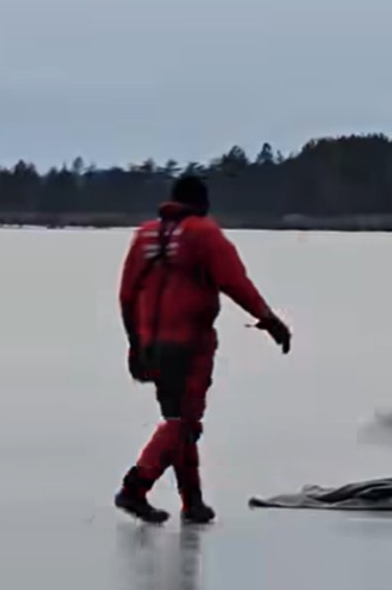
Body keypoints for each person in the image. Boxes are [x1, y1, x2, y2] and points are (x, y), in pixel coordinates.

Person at [114, 175, 291, 524]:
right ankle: (136, 487)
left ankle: (192, 502)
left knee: (178, 419)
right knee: (183, 422)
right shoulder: (203, 234)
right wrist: (269, 319)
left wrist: (135, 345)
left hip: (152, 344)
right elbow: (235, 282)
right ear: (202, 202)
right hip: (189, 345)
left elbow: (126, 295)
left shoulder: (145, 235)